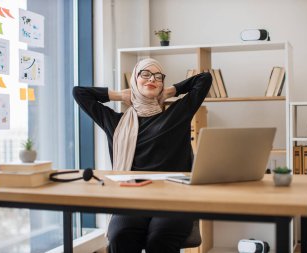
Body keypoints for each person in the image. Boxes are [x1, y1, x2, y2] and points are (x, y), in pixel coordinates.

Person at [73, 58, 211, 253]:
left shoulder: (176, 115)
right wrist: (118, 95)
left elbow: (204, 79)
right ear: (134, 81)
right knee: (121, 235)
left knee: (159, 238)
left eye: (157, 76)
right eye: (144, 74)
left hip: (174, 198)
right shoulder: (116, 122)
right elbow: (79, 93)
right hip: (132, 198)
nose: (151, 79)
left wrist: (170, 91)